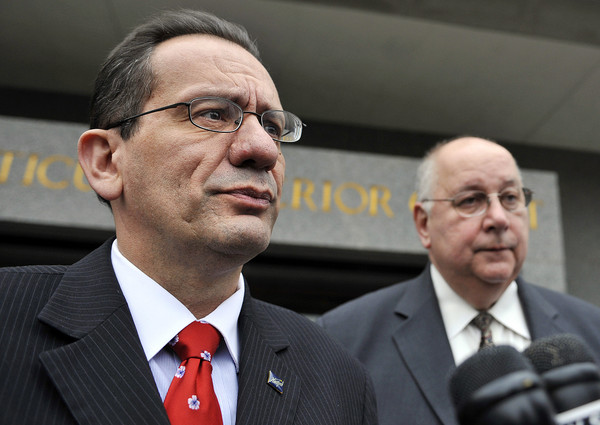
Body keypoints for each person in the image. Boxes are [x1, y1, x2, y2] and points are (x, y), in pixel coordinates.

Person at [0, 10, 377, 425]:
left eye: (272, 127)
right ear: (106, 162)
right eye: (213, 114)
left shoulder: (339, 379)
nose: (264, 149)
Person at [318, 136, 600, 425]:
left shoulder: (592, 330)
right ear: (424, 223)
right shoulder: (342, 340)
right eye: (471, 200)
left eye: (510, 198)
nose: (499, 218)